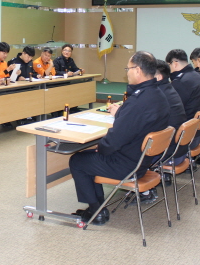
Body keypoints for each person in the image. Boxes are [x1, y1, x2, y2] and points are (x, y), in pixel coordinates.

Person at [68, 51, 170, 225]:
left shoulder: (138, 101)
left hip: (127, 165)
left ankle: (96, 211)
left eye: (128, 69)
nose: (127, 72)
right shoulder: (159, 95)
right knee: (90, 156)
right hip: (142, 161)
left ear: (137, 70)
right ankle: (98, 206)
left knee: (78, 160)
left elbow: (114, 141)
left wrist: (100, 148)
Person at [165, 49, 200, 120]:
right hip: (196, 121)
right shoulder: (197, 75)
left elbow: (172, 107)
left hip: (186, 121)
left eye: (169, 65)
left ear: (175, 64)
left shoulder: (180, 82)